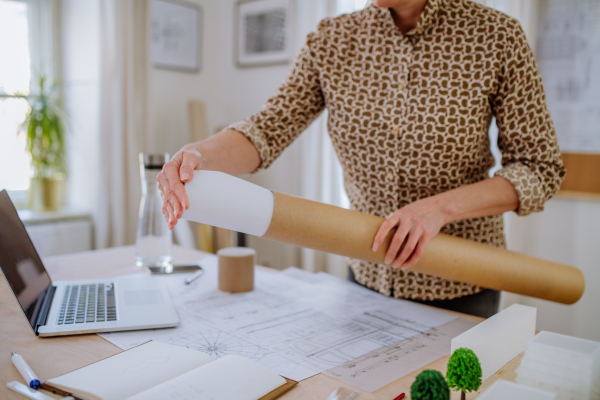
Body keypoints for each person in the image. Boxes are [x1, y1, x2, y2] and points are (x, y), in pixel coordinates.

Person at [157, 0, 565, 318]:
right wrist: (198, 154)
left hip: (460, 285)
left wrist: (439, 209)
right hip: (365, 278)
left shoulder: (496, 37)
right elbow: (267, 130)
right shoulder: (333, 39)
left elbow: (539, 168)